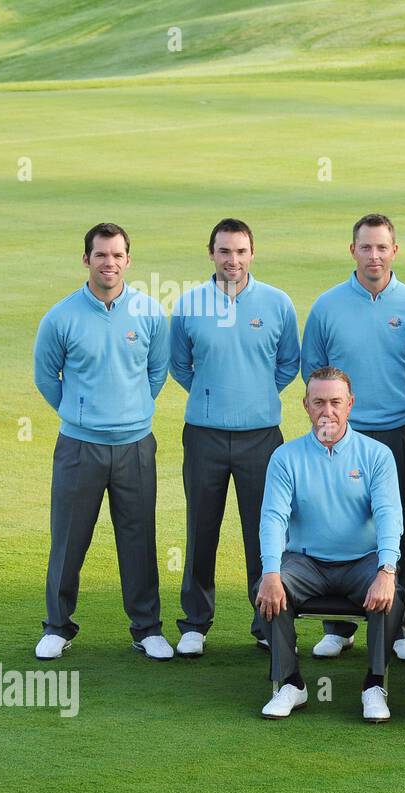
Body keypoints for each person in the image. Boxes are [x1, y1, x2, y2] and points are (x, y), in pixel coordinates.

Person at [33, 222, 171, 661]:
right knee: (69, 538)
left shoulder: (149, 312)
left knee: (139, 538)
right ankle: (58, 625)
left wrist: (129, 413)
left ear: (128, 260)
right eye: (100, 255)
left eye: (116, 255)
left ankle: (146, 628)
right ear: (86, 260)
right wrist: (80, 415)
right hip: (78, 447)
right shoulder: (61, 316)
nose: (109, 263)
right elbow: (46, 377)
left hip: (135, 445)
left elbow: (157, 372)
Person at [169, 218, 300, 657]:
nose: (233, 260)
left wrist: (254, 397)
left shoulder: (278, 303)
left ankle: (265, 619)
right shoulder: (189, 304)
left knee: (263, 530)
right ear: (212, 254)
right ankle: (194, 622)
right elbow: (180, 365)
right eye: (225, 251)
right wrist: (213, 397)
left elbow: (287, 365)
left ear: (252, 253)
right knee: (201, 527)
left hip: (261, 437)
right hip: (204, 435)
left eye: (241, 251)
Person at [300, 214, 405, 663]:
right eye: (366, 247)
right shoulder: (328, 306)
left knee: (399, 521)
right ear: (352, 250)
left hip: (395, 429)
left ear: (395, 250)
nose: (374, 255)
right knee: (339, 522)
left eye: (382, 247)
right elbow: (312, 369)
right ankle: (339, 625)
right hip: (339, 432)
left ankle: (400, 624)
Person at [256, 367, 404, 722]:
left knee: (390, 593)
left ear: (350, 404)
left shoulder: (377, 455)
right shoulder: (286, 457)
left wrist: (386, 569)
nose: (328, 411)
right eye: (319, 402)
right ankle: (290, 682)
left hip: (362, 562)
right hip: (307, 563)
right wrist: (271, 572)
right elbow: (273, 518)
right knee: (267, 590)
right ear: (305, 405)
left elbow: (388, 515)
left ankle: (374, 684)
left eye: (336, 402)